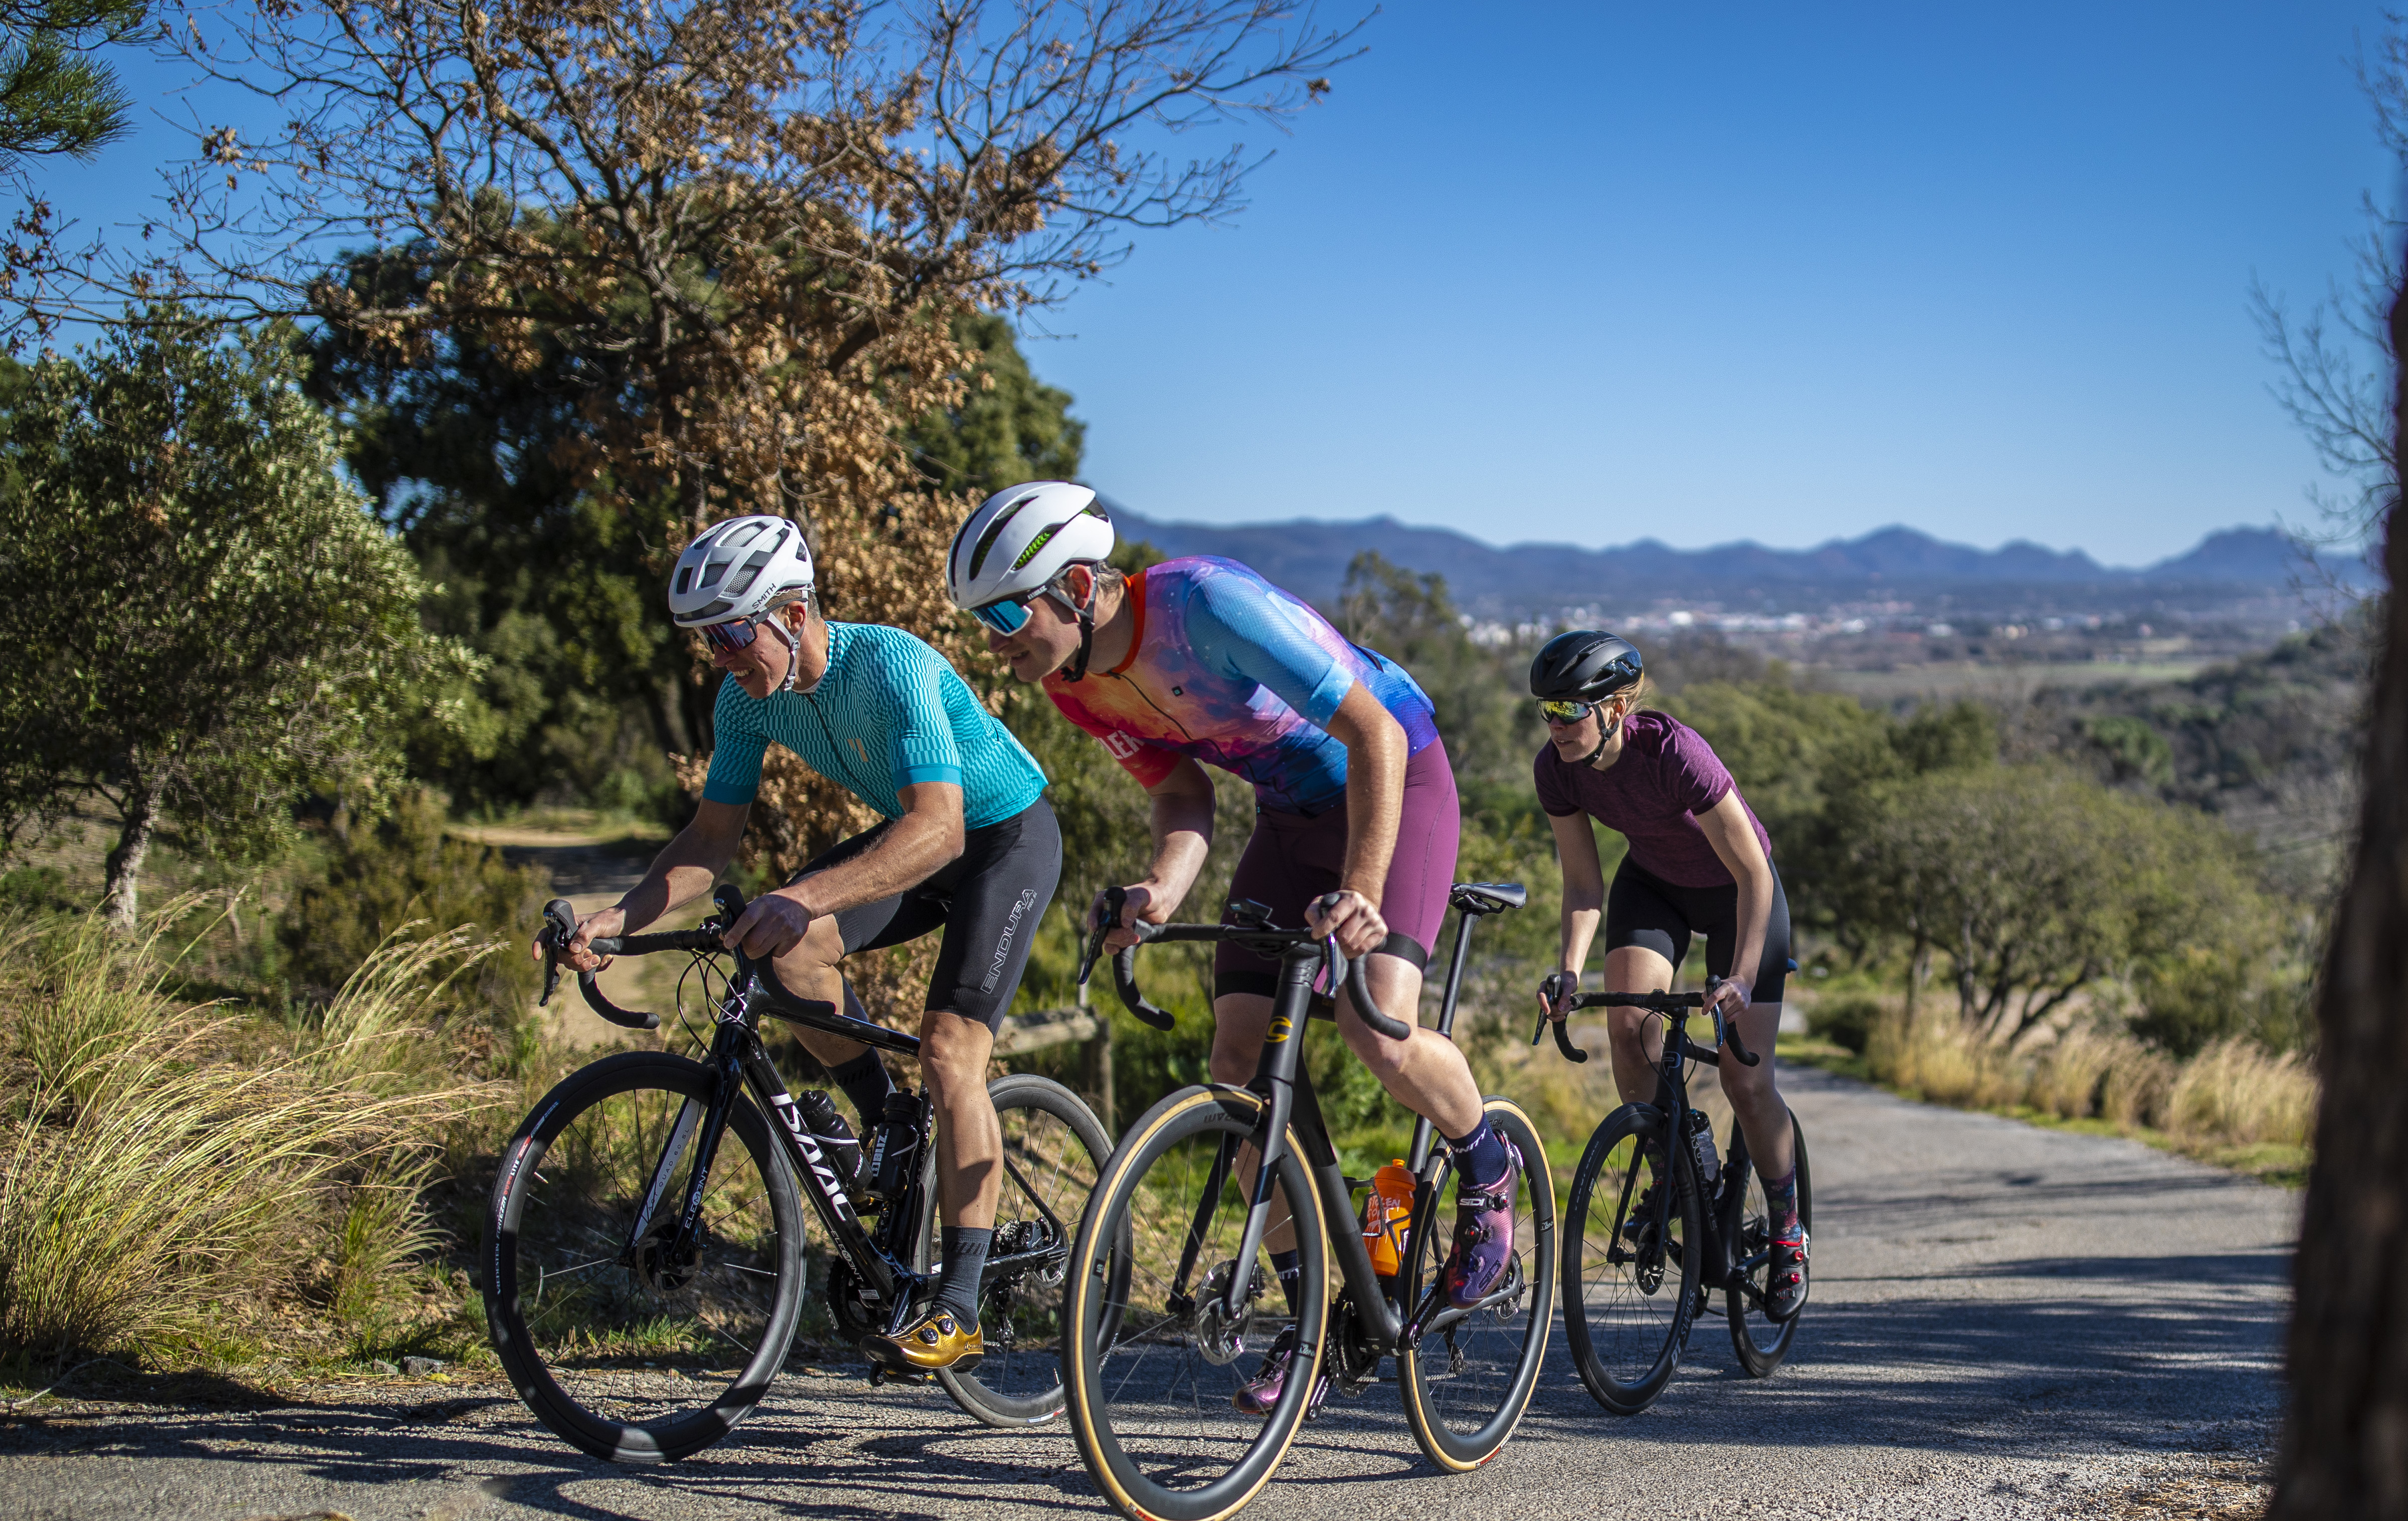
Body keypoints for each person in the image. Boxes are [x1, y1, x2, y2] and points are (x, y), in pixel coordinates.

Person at [946, 482, 1518, 1411]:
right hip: (1291, 819)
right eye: (983, 620)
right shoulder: (1072, 688)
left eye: (1009, 611)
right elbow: (1181, 797)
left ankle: (1486, 1170)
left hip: (1396, 779)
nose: (997, 637)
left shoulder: (1204, 605)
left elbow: (1369, 729)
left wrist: (1364, 893)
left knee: (1379, 1024)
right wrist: (1161, 891)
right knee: (1238, 1062)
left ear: (1081, 584)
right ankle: (1309, 1326)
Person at [551, 514, 1063, 1372]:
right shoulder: (746, 702)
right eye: (705, 640)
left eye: (729, 633)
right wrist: (618, 917)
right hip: (919, 840)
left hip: (1002, 840)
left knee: (948, 1051)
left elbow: (939, 831)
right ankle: (886, 1122)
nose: (719, 655)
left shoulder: (891, 665)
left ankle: (962, 1305)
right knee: (777, 948)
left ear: (791, 613)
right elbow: (709, 844)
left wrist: (801, 894)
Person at [1525, 629, 1807, 1316]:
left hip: (1742, 896)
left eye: (1570, 711)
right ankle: (1673, 1173)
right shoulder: (1556, 770)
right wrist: (1567, 970)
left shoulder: (1675, 754)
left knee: (1746, 1077)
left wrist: (1739, 976)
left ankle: (1788, 1232)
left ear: (1617, 707)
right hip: (1654, 888)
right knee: (1630, 1028)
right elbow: (1584, 885)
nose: (1556, 726)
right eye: (1547, 712)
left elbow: (1749, 872)